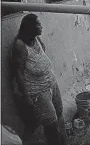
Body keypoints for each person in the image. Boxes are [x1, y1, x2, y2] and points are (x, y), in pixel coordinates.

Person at [11, 14, 67, 145]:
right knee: (51, 125)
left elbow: (43, 50)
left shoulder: (35, 38)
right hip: (37, 92)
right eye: (38, 25)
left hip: (50, 83)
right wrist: (27, 97)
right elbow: (17, 73)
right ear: (31, 28)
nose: (42, 26)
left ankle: (63, 141)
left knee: (59, 112)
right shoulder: (19, 45)